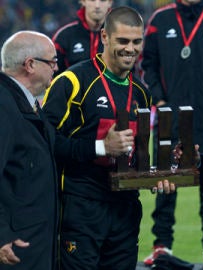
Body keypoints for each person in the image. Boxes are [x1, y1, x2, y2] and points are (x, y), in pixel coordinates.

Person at [42, 6, 174, 270]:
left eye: (137, 42)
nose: (131, 49)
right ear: (104, 36)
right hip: (81, 208)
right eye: (122, 41)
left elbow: (135, 158)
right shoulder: (72, 82)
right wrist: (101, 147)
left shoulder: (141, 93)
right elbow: (44, 143)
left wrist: (163, 171)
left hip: (125, 211)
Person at [140, 0, 203, 267]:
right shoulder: (160, 19)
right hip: (171, 117)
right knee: (165, 185)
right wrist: (158, 99)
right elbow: (148, 64)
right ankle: (161, 246)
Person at [0, 31, 58, 269]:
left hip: (32, 239)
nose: (56, 68)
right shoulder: (3, 107)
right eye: (52, 61)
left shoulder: (23, 102)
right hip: (15, 246)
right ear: (30, 64)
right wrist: (2, 235)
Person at [52, 0, 113, 75]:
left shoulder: (120, 35)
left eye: (102, 0)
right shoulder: (64, 36)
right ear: (83, 1)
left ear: (110, 2)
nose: (97, 6)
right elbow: (52, 74)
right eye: (92, 0)